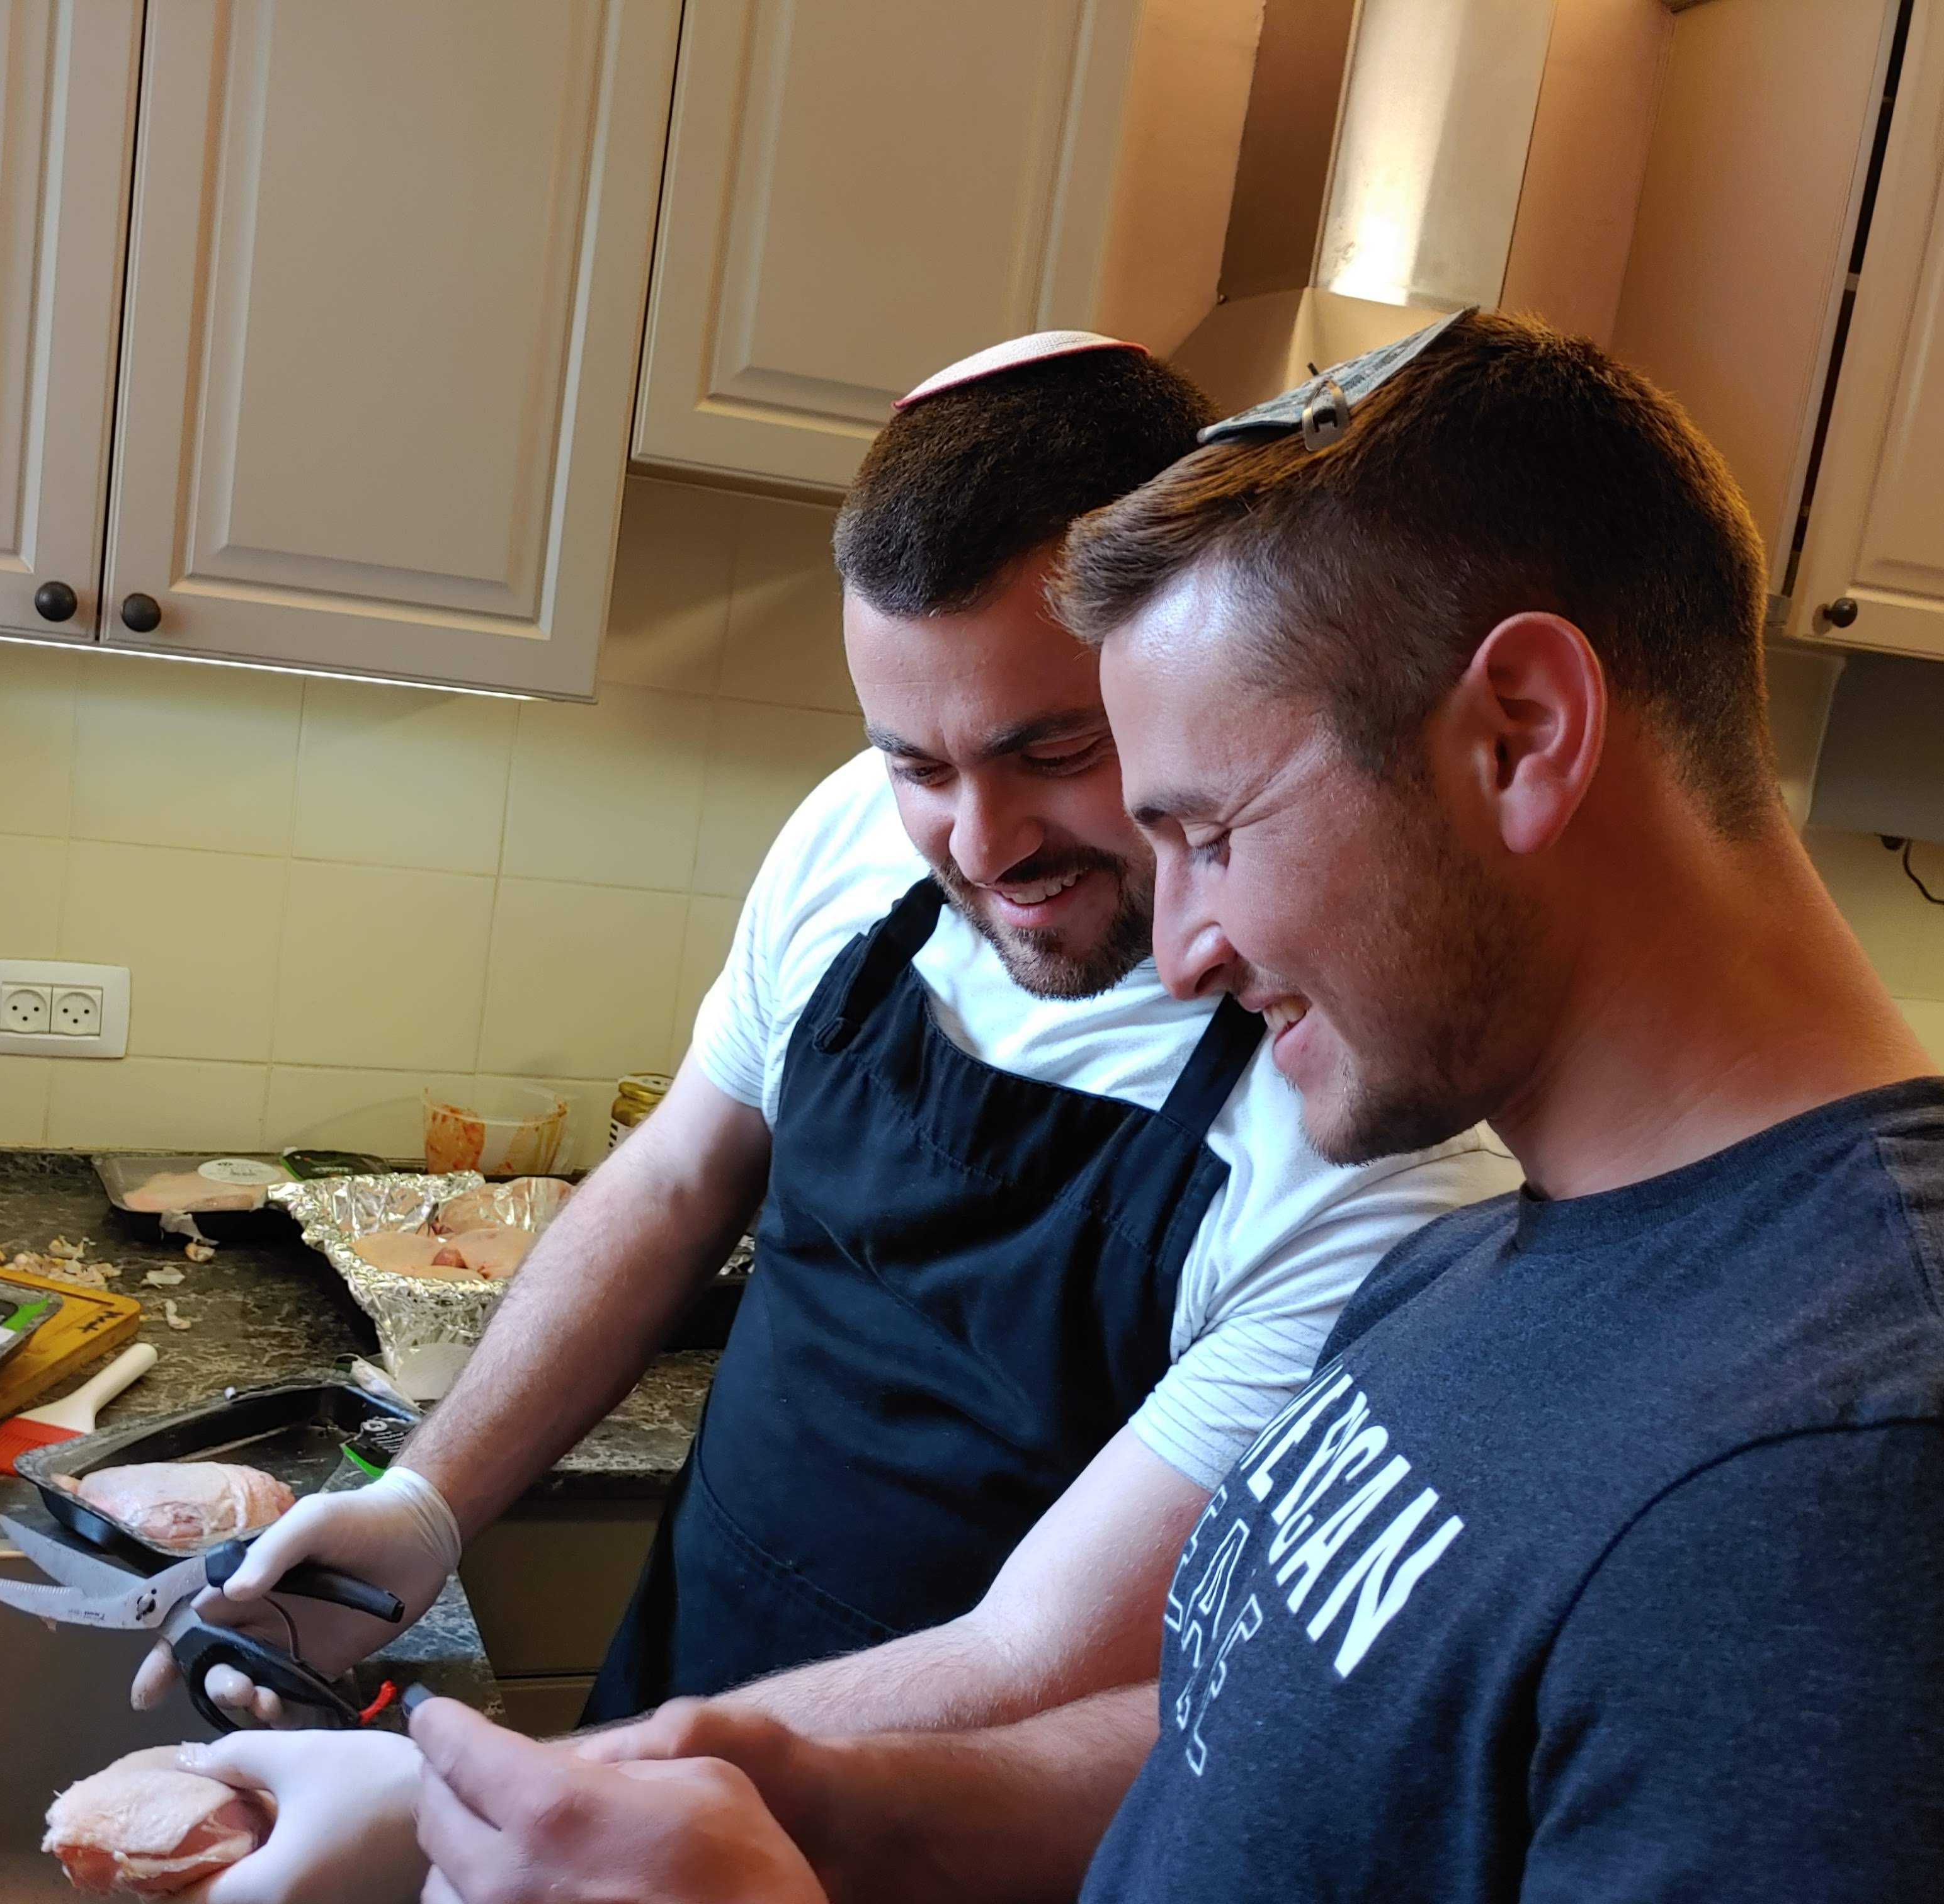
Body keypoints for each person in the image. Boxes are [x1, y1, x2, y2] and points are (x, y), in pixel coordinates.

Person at [334, 309, 1944, 1903]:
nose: (1181, 953)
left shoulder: (1838, 1479)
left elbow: (1042, 1662)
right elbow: (1235, 1746)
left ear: (1521, 735)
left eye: (1211, 831)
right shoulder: (1489, 1279)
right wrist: (641, 1798)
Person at [129, 334, 1513, 1900]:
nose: (982, 843)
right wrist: (426, 1505)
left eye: (1057, 751)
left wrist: (466, 1795)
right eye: (917, 762)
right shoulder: (856, 842)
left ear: (1193, 674)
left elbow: (1037, 1658)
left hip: (960, 1830)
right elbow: (675, 1182)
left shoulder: (1364, 1143)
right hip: (688, 1674)